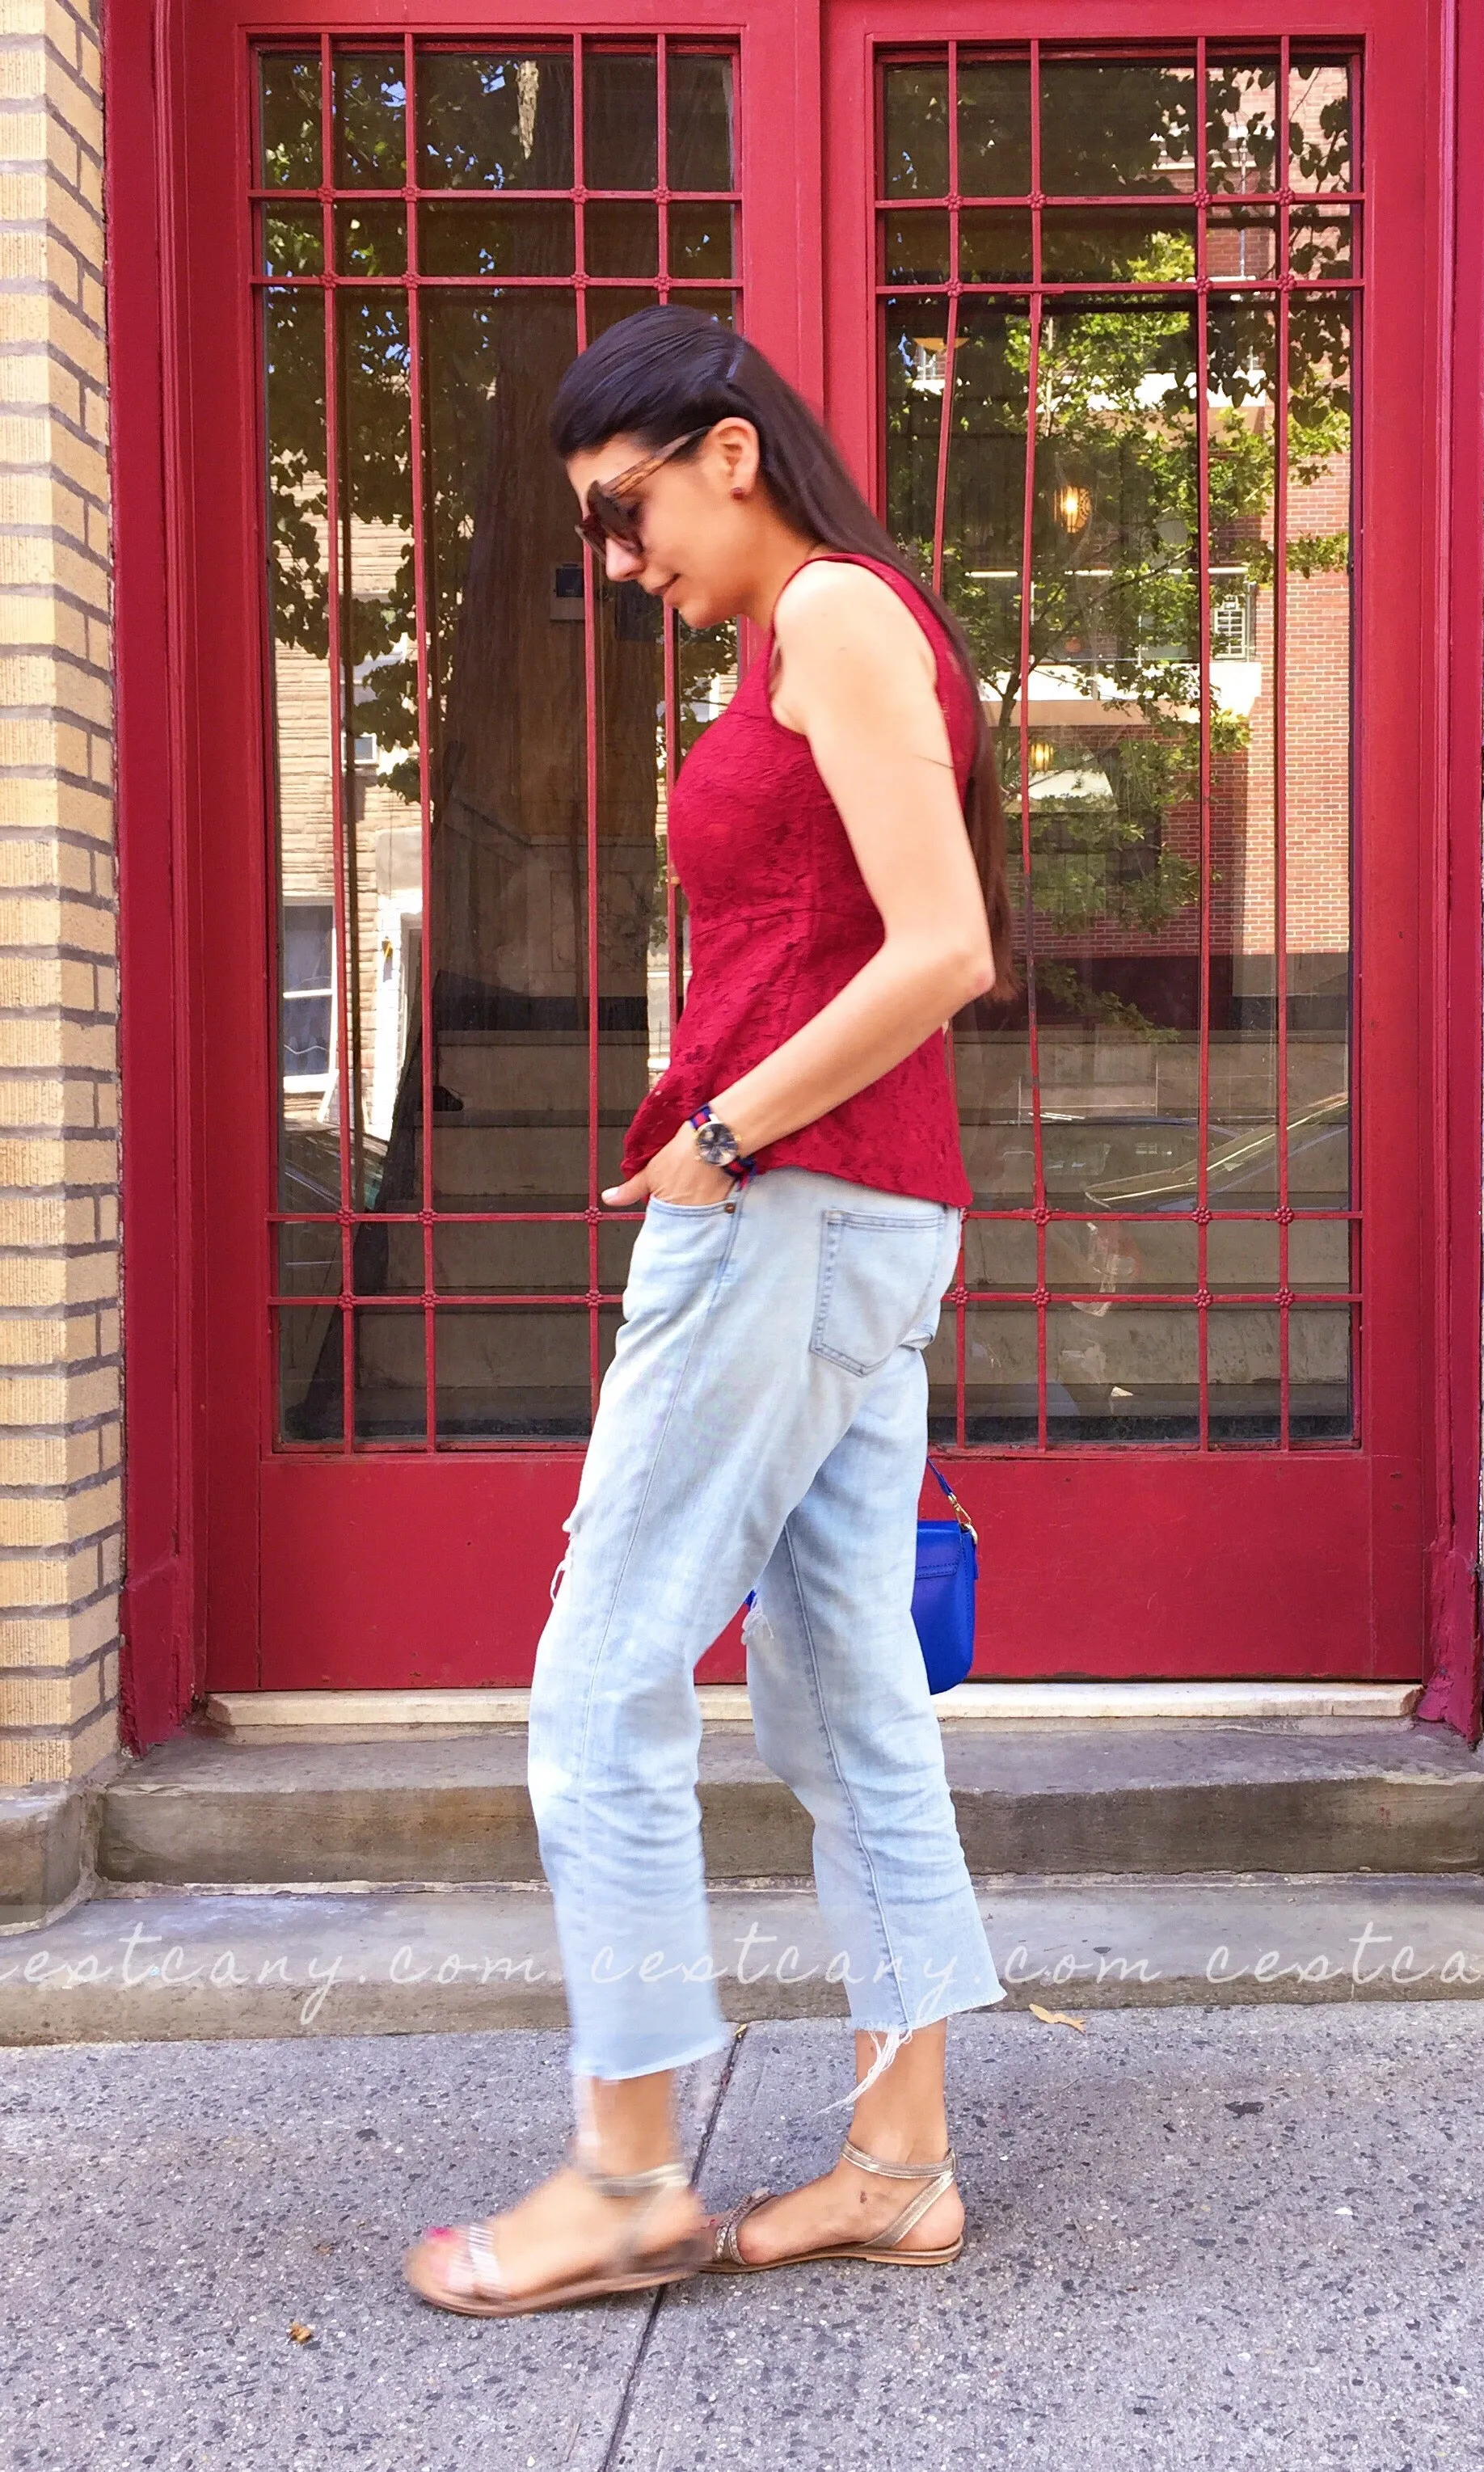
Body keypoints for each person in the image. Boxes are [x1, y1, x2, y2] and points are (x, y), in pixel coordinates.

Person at [403, 306, 1014, 2318]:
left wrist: (728, 1133)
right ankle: (899, 2162)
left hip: (792, 1211)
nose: (616, 557)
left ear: (727, 450)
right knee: (843, 1688)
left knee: (600, 1678)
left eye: (625, 505)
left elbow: (945, 947)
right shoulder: (803, 637)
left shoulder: (835, 612)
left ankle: (627, 2171)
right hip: (855, 1209)